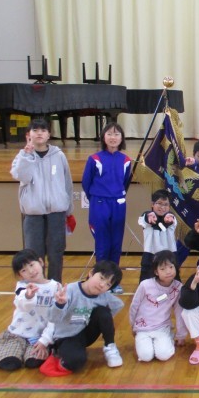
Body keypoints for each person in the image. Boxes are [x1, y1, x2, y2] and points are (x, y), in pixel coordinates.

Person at [10, 118, 73, 282]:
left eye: (43, 130)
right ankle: (37, 286)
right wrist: (27, 156)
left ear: (48, 135)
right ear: (28, 135)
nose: (39, 133)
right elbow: (22, 176)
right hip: (33, 214)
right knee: (34, 255)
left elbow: (67, 184)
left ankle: (55, 286)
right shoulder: (22, 156)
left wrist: (69, 211)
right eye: (35, 130)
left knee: (56, 253)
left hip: (57, 212)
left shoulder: (59, 155)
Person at [39, 261, 124, 376]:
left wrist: (103, 323)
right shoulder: (70, 290)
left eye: (108, 285)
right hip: (66, 336)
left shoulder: (103, 296)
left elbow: (118, 305)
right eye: (101, 278)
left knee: (103, 312)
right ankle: (58, 351)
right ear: (91, 273)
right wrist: (60, 304)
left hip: (86, 334)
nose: (102, 285)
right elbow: (53, 318)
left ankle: (110, 347)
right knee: (76, 362)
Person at [82, 122, 131, 293]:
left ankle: (113, 282)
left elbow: (125, 182)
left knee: (116, 244)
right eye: (109, 134)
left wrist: (116, 196)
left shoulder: (126, 160)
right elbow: (86, 183)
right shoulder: (94, 159)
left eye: (117, 134)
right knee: (103, 245)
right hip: (99, 204)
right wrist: (98, 198)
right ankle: (100, 280)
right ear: (103, 137)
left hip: (118, 204)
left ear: (122, 138)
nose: (113, 137)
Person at [0, 249, 58, 371]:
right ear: (20, 275)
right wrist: (29, 296)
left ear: (41, 262)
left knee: (33, 361)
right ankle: (13, 349)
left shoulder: (55, 287)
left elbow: (55, 318)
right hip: (17, 333)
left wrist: (45, 341)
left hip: (39, 336)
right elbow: (23, 305)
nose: (31, 271)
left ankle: (34, 349)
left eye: (32, 265)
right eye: (24, 270)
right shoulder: (22, 287)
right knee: (9, 361)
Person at [130, 251, 187, 362]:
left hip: (162, 327)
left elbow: (179, 311)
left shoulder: (178, 287)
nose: (168, 271)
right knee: (146, 356)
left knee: (163, 355)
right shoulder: (145, 285)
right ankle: (148, 342)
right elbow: (134, 306)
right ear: (156, 272)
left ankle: (168, 337)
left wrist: (181, 335)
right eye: (163, 269)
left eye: (171, 267)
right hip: (143, 328)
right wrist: (133, 326)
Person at [138, 189, 178, 283]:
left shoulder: (172, 218)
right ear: (152, 204)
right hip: (150, 255)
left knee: (174, 283)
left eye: (166, 204)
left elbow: (169, 220)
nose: (162, 207)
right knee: (146, 284)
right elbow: (145, 217)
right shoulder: (146, 218)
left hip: (170, 254)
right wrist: (148, 216)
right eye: (159, 203)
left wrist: (170, 216)